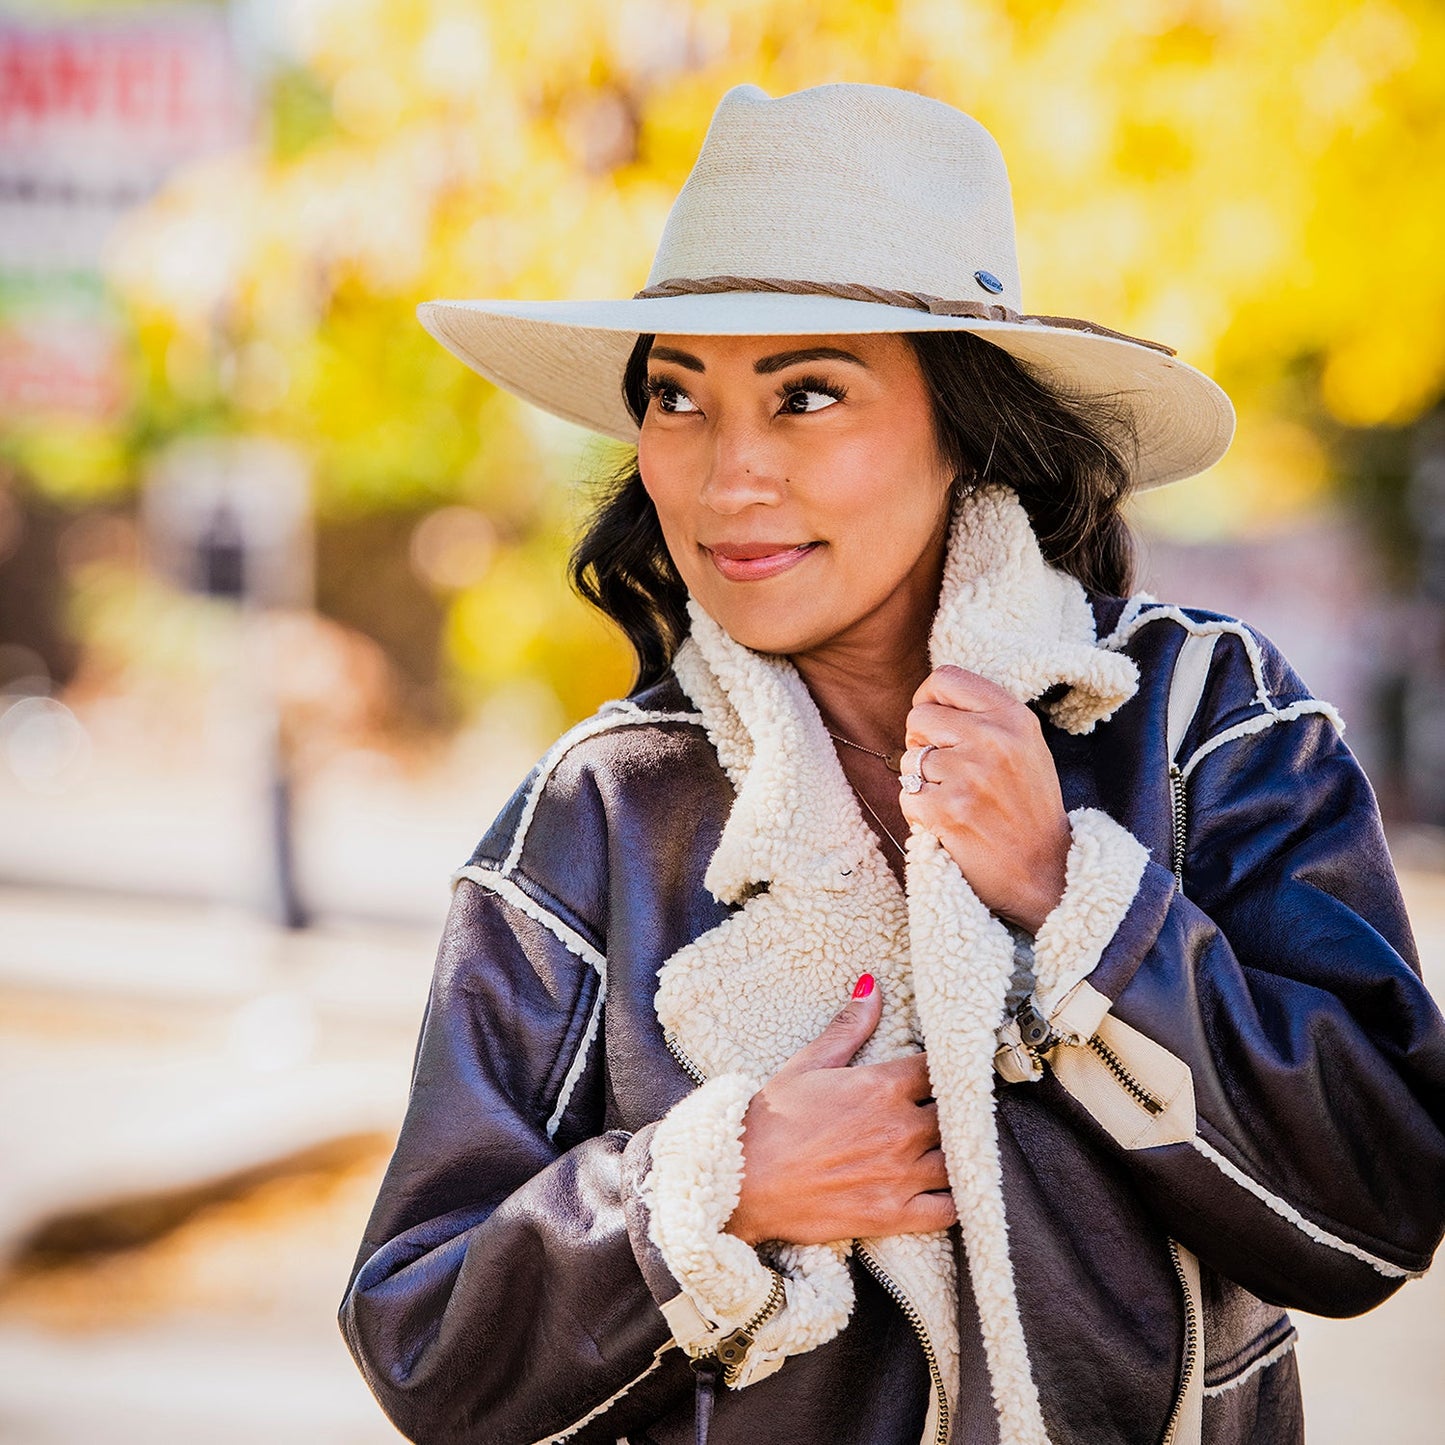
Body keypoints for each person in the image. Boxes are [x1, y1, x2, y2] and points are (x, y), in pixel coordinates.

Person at [338, 83, 1445, 1445]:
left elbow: (1374, 1210)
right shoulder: (595, 820)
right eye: (676, 397)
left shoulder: (1201, 722)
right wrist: (718, 1185)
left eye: (807, 393)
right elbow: (426, 1340)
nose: (727, 473)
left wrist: (1071, 900)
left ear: (962, 424)